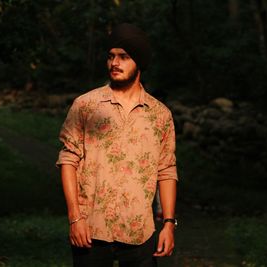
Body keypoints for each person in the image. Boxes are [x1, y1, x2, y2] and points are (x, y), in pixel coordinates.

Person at [56, 23, 178, 267]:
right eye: (111, 56)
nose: (115, 63)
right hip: (90, 230)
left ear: (139, 62)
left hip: (140, 233)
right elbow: (68, 160)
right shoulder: (86, 105)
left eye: (124, 57)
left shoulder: (160, 115)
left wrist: (168, 224)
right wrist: (74, 218)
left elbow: (166, 171)